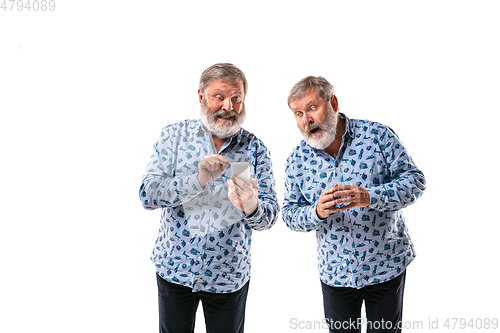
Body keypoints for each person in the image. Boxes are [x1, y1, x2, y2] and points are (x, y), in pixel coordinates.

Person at [139, 63, 279, 333]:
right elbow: (148, 195)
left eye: (236, 98)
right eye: (220, 97)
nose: (229, 106)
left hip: (229, 276)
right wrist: (199, 179)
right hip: (175, 269)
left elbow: (269, 217)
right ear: (201, 97)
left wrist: (251, 207)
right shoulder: (174, 137)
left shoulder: (256, 149)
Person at [282, 76, 426, 333]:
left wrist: (370, 196)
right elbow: (290, 214)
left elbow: (415, 181)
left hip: (385, 265)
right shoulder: (296, 160)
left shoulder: (377, 135)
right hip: (335, 274)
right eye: (298, 114)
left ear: (333, 102)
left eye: (312, 108)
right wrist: (316, 211)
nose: (307, 120)